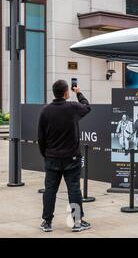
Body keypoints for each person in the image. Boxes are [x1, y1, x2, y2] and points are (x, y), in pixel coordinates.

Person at [38, 80, 91, 233]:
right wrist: (79, 93)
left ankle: (47, 222)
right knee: (74, 189)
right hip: (71, 158)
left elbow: (41, 138)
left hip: (52, 158)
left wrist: (46, 155)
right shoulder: (73, 107)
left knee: (50, 190)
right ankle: (77, 222)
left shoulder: (45, 111)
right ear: (67, 92)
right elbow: (87, 107)